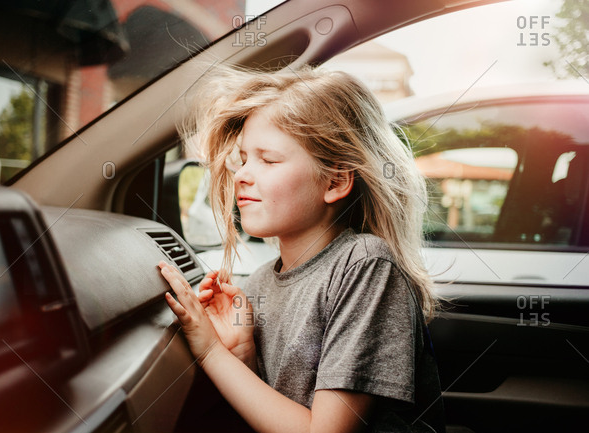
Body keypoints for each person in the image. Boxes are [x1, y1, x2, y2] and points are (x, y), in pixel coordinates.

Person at [158, 65, 445, 433]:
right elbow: (275, 410)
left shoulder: (364, 267)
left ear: (335, 180)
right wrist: (243, 353)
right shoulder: (260, 283)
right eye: (243, 158)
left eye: (269, 159)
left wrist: (212, 352)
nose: (242, 174)